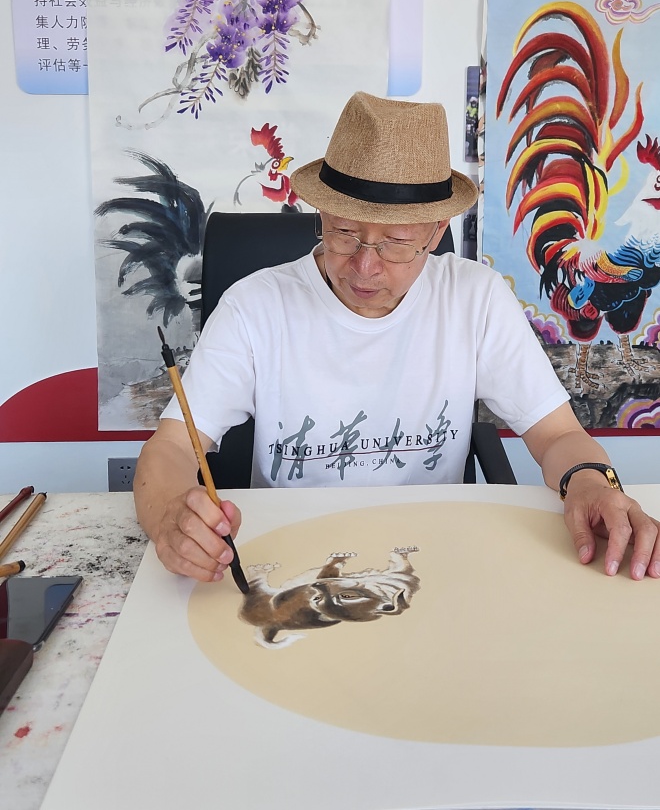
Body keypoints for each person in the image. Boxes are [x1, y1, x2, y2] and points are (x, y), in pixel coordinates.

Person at [134, 91, 659, 584]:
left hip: (432, 559)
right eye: (344, 233)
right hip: (292, 560)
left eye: (396, 243)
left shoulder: (474, 298)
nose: (365, 267)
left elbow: (559, 436)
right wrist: (170, 517)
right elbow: (173, 447)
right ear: (322, 213)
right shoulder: (255, 307)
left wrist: (591, 483)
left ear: (436, 230)